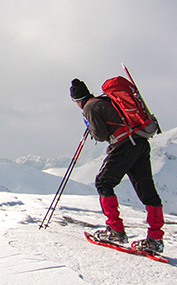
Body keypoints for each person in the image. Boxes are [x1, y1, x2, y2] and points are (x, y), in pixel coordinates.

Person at [70, 78, 165, 253]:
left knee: (103, 182)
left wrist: (89, 127)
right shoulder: (105, 100)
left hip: (124, 145)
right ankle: (155, 239)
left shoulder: (89, 107)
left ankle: (115, 231)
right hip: (140, 142)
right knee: (148, 191)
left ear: (76, 100)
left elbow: (99, 135)